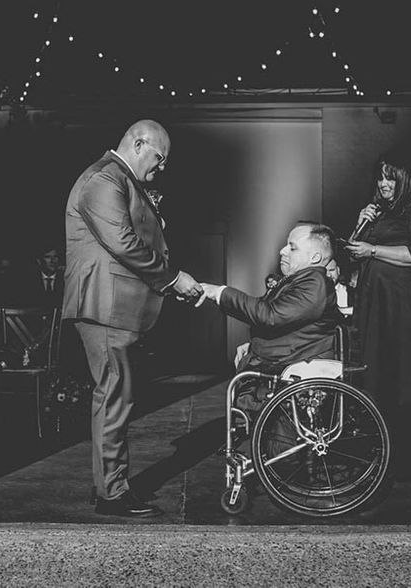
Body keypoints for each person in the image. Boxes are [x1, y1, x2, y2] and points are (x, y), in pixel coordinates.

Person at [63, 119, 203, 518]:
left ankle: (109, 485)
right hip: (104, 305)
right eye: (159, 159)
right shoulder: (104, 179)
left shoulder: (119, 179)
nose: (160, 169)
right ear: (139, 144)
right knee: (114, 397)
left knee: (117, 396)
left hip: (114, 306)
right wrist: (174, 278)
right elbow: (122, 242)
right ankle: (112, 494)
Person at [345, 151, 411, 457]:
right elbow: (353, 251)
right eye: (381, 176)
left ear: (404, 179)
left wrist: (373, 250)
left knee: (400, 366)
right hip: (376, 300)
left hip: (401, 304)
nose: (383, 183)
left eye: (390, 177)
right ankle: (379, 433)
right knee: (376, 363)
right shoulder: (378, 212)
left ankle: (405, 439)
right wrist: (360, 224)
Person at [201, 223, 339, 410]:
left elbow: (270, 315)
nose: (282, 251)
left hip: (288, 369)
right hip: (279, 362)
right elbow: (291, 325)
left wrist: (220, 292)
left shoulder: (314, 283)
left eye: (292, 247)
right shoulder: (303, 281)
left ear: (315, 257)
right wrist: (253, 344)